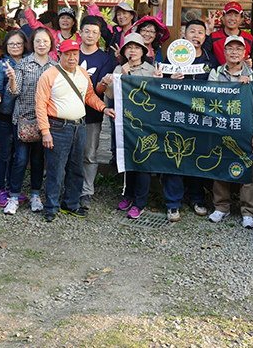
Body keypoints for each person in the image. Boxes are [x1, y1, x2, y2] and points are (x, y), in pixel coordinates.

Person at [35, 39, 115, 223]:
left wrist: (104, 108)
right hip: (57, 126)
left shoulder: (82, 73)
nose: (72, 57)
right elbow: (40, 105)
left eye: (75, 54)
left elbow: (89, 96)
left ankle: (70, 204)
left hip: (80, 126)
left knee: (77, 167)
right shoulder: (49, 75)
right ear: (59, 55)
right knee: (56, 169)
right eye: (68, 54)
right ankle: (51, 207)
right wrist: (45, 131)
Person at [206, 35, 253, 229]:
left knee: (249, 170)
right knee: (220, 166)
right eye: (230, 48)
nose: (234, 52)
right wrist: (234, 87)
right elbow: (210, 99)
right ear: (223, 52)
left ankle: (248, 211)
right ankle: (221, 206)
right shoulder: (215, 73)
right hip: (221, 128)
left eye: (238, 49)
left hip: (245, 130)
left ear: (245, 53)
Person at [164, 19, 220, 220]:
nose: (196, 36)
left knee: (198, 157)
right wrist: (169, 80)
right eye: (192, 32)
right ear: (183, 34)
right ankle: (172, 203)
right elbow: (159, 85)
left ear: (205, 37)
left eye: (200, 32)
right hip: (176, 117)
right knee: (175, 157)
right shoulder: (171, 56)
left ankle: (197, 198)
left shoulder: (211, 59)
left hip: (201, 118)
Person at [103, 33, 163, 219]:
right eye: (129, 47)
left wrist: (157, 79)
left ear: (143, 51)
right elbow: (111, 96)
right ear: (124, 51)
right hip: (125, 122)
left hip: (145, 123)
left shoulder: (150, 69)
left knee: (143, 161)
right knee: (128, 159)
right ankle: (128, 195)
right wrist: (110, 82)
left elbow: (155, 95)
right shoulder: (119, 68)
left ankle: (140, 202)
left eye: (137, 47)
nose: (133, 50)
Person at [3, 28, 56, 215]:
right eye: (38, 41)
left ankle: (35, 195)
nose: (41, 44)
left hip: (45, 121)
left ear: (51, 43)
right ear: (32, 43)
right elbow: (14, 92)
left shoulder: (55, 66)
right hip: (23, 119)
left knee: (37, 160)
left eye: (45, 41)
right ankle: (14, 196)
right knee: (20, 159)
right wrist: (11, 80)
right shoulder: (23, 64)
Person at [78, 16, 115, 210]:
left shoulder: (105, 59)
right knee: (67, 153)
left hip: (92, 113)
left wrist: (101, 84)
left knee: (90, 154)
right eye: (87, 31)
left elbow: (100, 91)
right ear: (80, 33)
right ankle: (70, 187)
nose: (90, 35)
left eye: (95, 32)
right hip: (67, 113)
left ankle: (86, 192)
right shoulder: (70, 53)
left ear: (99, 35)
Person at [0, 29, 28, 208]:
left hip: (24, 116)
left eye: (18, 44)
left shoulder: (29, 63)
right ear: (6, 46)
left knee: (18, 156)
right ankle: (0, 189)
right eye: (11, 44)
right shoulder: (1, 65)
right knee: (4, 154)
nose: (15, 47)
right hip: (5, 115)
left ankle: (13, 189)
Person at [206, 2, 253, 66]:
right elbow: (203, 55)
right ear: (223, 17)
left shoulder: (249, 38)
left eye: (236, 15)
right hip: (218, 75)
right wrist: (207, 32)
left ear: (241, 19)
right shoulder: (213, 37)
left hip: (242, 75)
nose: (232, 18)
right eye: (229, 15)